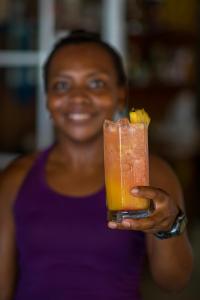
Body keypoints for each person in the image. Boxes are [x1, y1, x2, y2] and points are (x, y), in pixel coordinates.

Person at [0, 30, 193, 300]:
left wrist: (169, 225)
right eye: (63, 85)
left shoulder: (150, 173)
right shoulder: (16, 178)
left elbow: (174, 281)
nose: (78, 97)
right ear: (47, 99)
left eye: (96, 83)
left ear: (120, 94)